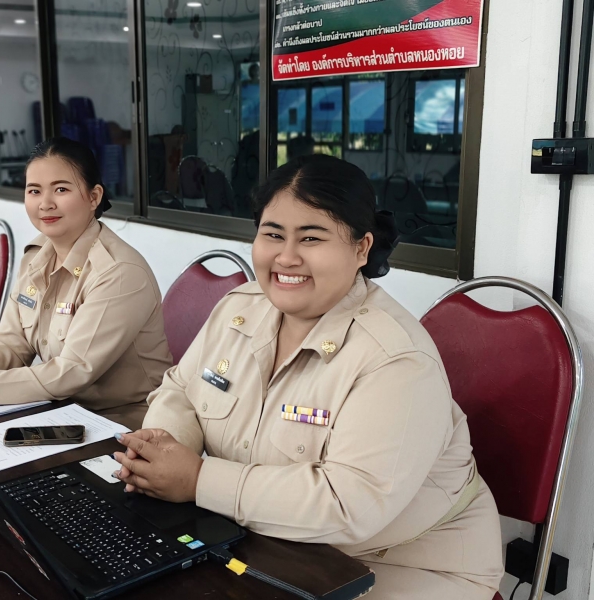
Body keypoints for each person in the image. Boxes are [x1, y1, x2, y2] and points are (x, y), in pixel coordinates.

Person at [111, 154, 504, 599]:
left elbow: (348, 504)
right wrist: (163, 449)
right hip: (266, 541)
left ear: (361, 248)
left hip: (400, 563)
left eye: (311, 238)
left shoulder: (396, 360)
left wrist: (198, 480)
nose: (286, 256)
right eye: (272, 234)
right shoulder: (239, 308)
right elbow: (182, 388)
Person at [0, 137, 172, 430]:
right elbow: (10, 347)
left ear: (94, 197)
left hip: (125, 426)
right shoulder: (36, 257)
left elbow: (70, 373)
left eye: (61, 189)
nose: (45, 204)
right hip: (62, 411)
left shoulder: (118, 273)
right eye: (34, 191)